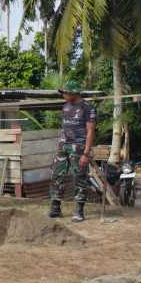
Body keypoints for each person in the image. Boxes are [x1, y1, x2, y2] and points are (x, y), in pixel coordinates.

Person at [47, 82, 96, 222]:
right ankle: (55, 208)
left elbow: (91, 132)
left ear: (75, 93)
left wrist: (86, 153)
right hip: (63, 146)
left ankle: (79, 210)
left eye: (66, 93)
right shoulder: (66, 107)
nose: (63, 95)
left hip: (78, 146)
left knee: (79, 177)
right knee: (56, 175)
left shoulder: (88, 108)